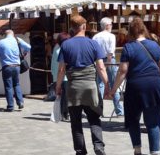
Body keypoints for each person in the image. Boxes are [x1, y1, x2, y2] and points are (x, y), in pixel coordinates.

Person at [109, 18, 160, 155]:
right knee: (153, 121)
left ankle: (137, 149)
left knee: (133, 119)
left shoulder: (128, 47)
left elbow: (122, 71)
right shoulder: (155, 46)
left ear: (131, 32)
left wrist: (114, 89)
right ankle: (155, 151)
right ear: (144, 29)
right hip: (154, 86)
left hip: (135, 87)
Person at [56, 15, 109, 155]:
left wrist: (58, 86)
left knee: (76, 121)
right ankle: (99, 146)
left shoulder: (66, 45)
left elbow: (61, 69)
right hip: (90, 87)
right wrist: (108, 85)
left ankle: (80, 150)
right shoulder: (93, 44)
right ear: (84, 26)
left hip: (73, 88)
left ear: (72, 28)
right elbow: (101, 68)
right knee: (94, 118)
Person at [92, 17, 123, 116]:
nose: (112, 26)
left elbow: (94, 51)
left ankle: (98, 109)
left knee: (100, 85)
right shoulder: (111, 36)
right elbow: (110, 52)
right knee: (114, 84)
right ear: (107, 25)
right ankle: (119, 110)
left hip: (99, 60)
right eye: (111, 24)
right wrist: (108, 64)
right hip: (109, 60)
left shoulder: (95, 37)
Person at [0, 29, 31, 112]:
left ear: (5, 34)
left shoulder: (0, 42)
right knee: (17, 84)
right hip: (17, 66)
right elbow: (29, 47)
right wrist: (25, 53)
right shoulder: (17, 40)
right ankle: (20, 102)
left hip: (7, 67)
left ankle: (10, 106)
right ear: (13, 34)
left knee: (8, 87)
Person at [51, 32, 70, 121]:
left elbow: (53, 65)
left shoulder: (56, 48)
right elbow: (62, 68)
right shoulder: (62, 50)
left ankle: (62, 113)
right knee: (65, 98)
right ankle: (64, 114)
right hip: (64, 77)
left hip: (56, 76)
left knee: (61, 97)